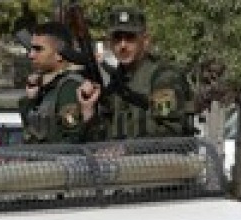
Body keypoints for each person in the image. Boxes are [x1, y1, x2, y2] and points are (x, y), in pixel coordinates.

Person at [79, 7, 196, 140]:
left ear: (145, 40)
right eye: (117, 38)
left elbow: (170, 131)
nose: (123, 45)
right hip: (121, 160)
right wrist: (88, 111)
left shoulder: (163, 77)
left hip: (164, 159)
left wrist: (126, 149)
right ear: (110, 43)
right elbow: (101, 139)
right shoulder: (115, 83)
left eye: (130, 38)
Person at [18, 21, 87, 144]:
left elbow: (71, 142)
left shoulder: (69, 87)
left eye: (38, 49)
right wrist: (30, 100)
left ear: (59, 55)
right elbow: (31, 132)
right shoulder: (46, 89)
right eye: (31, 49)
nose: (31, 55)